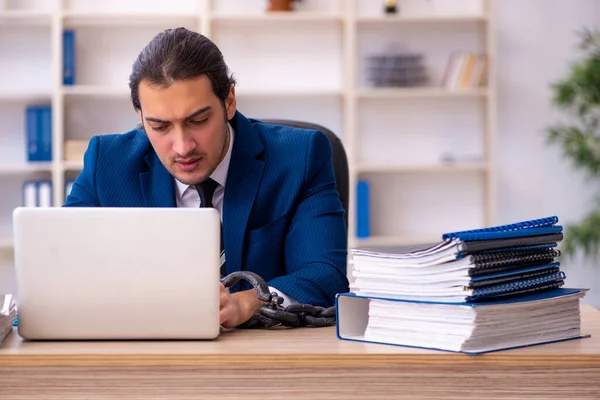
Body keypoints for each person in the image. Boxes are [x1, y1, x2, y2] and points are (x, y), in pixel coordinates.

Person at [63, 27, 350, 329]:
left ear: (229, 102)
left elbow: (325, 274)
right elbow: (62, 266)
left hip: (261, 360)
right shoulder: (106, 162)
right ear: (140, 115)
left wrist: (250, 302)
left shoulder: (300, 157)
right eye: (160, 127)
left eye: (198, 121)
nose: (183, 146)